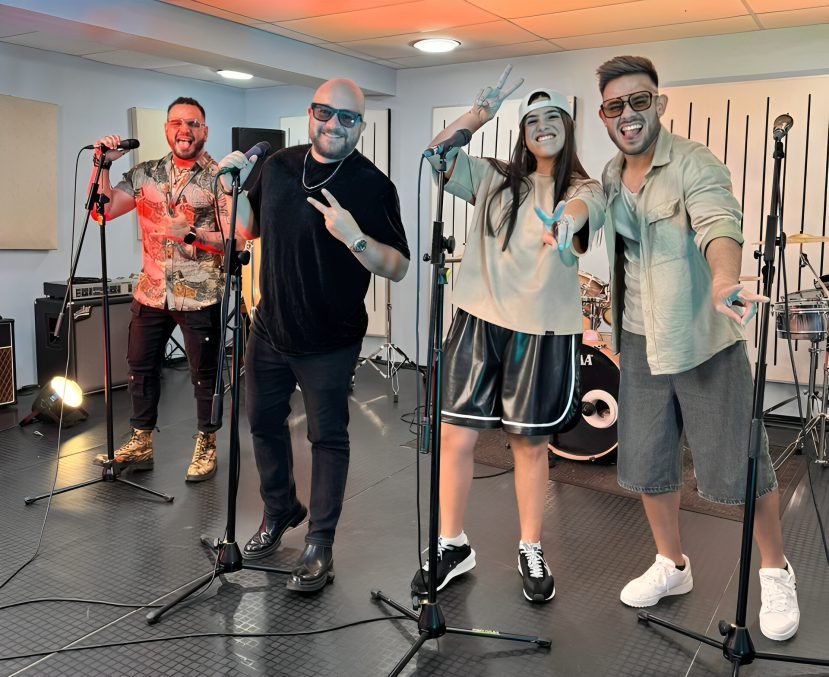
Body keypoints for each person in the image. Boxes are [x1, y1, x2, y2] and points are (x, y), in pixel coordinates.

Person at [596, 55, 800, 640]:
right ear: (605, 116)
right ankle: (672, 565)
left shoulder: (694, 162)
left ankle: (775, 570)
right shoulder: (610, 175)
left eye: (639, 101)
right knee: (648, 462)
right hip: (640, 339)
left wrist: (722, 280)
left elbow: (718, 223)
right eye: (615, 106)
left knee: (741, 463)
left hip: (703, 339)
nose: (628, 114)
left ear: (658, 104)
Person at [409, 65, 606, 604]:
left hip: (541, 330)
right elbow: (435, 157)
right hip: (478, 318)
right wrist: (477, 116)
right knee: (455, 437)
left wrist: (565, 222)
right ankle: (452, 543)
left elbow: (582, 210)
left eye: (553, 117)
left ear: (568, 126)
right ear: (522, 132)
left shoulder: (585, 187)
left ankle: (531, 546)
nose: (543, 126)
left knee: (530, 444)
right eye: (532, 120)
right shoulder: (495, 178)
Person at [220, 78, 410, 592]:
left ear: (361, 126)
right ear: (310, 113)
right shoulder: (279, 166)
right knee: (262, 423)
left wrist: (354, 237)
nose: (334, 124)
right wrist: (232, 189)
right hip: (270, 327)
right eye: (325, 112)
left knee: (327, 438)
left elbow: (397, 267)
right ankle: (281, 508)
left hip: (331, 338)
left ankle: (319, 543)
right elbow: (248, 228)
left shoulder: (372, 185)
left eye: (347, 117)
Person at [90, 96, 233, 483]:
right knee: (140, 369)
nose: (184, 130)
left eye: (193, 123)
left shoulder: (221, 178)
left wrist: (192, 234)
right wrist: (103, 165)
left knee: (204, 375)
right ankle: (141, 442)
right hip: (151, 291)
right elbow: (102, 210)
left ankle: (207, 443)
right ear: (167, 129)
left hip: (199, 294)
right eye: (177, 123)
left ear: (205, 131)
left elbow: (236, 239)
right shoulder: (145, 174)